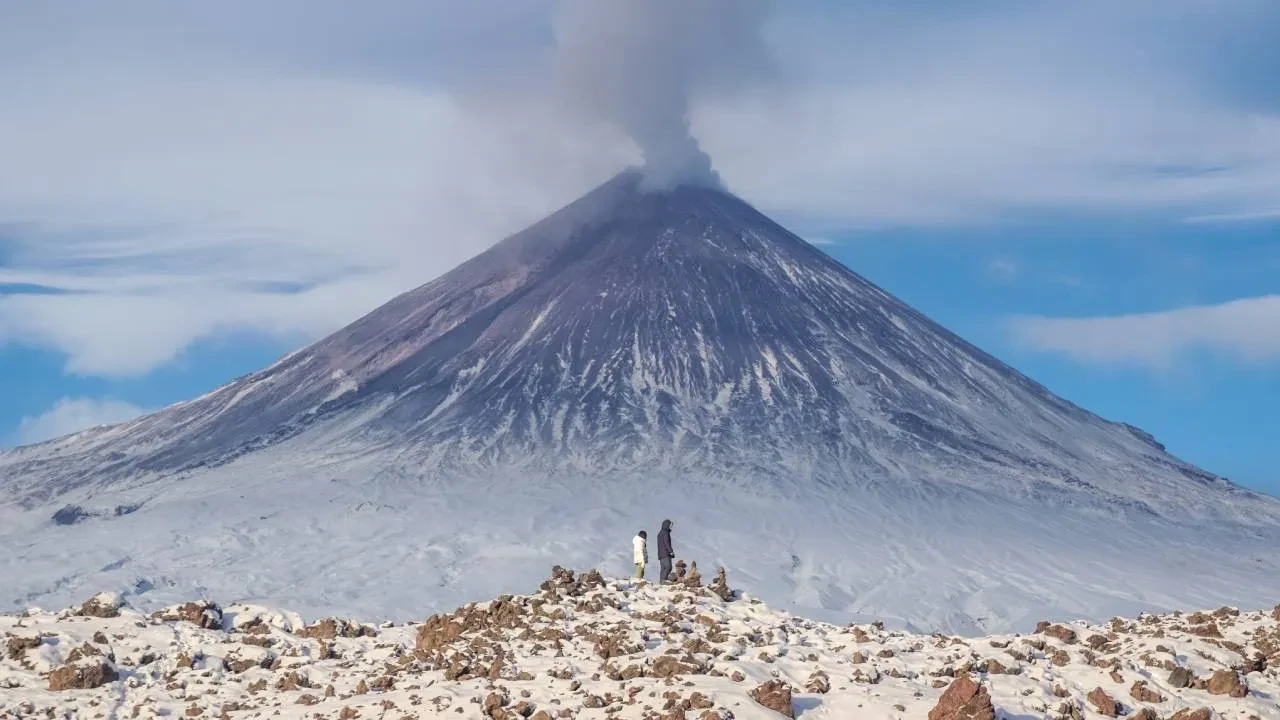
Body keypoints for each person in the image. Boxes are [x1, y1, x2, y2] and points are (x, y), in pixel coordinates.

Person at [657, 519, 674, 583]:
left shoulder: (660, 533)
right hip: (666, 553)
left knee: (663, 568)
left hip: (661, 554)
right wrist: (671, 551)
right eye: (670, 525)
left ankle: (661, 581)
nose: (670, 527)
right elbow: (667, 543)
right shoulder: (665, 533)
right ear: (667, 525)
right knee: (668, 567)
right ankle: (663, 581)